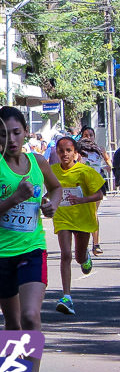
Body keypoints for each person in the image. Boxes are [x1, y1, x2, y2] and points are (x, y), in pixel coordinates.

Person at [0, 106, 61, 372]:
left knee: (31, 316)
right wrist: (15, 198)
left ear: (26, 132)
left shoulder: (39, 162)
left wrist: (51, 204)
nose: (11, 139)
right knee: (13, 323)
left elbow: (56, 188)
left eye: (16, 132)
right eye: (3, 134)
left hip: (32, 248)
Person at [49, 136, 103, 315]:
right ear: (56, 152)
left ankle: (85, 257)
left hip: (82, 218)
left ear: (76, 154)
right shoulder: (52, 171)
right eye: (61, 150)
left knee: (78, 256)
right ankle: (66, 296)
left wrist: (81, 200)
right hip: (63, 217)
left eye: (68, 150)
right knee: (65, 254)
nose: (64, 154)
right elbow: (45, 189)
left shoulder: (84, 172)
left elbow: (99, 195)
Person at [78, 126, 110, 256]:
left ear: (94, 136)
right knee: (84, 214)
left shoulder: (99, 149)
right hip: (82, 185)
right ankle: (83, 244)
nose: (88, 137)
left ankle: (96, 244)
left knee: (93, 213)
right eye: (86, 135)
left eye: (91, 135)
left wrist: (108, 166)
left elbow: (108, 161)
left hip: (96, 185)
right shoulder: (79, 149)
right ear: (82, 136)